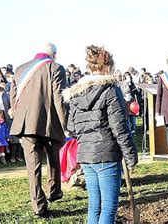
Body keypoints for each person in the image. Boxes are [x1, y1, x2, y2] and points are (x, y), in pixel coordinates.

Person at [64, 45, 138, 224]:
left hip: (86, 155)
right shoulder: (110, 90)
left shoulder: (76, 93)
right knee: (109, 207)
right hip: (107, 154)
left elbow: (71, 127)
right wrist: (131, 156)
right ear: (107, 67)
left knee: (95, 205)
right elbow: (120, 127)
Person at [10, 42, 68, 217]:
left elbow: (14, 98)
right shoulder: (56, 68)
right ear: (54, 54)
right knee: (54, 158)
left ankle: (38, 207)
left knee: (32, 167)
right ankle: (54, 191)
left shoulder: (20, 69)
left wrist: (19, 117)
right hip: (49, 122)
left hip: (25, 124)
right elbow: (59, 97)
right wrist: (65, 123)